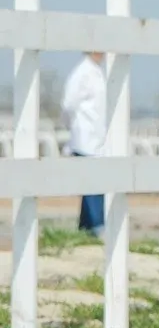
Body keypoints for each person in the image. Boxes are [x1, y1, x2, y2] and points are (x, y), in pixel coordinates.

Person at [61, 50, 107, 237]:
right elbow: (67, 105)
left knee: (95, 184)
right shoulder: (81, 73)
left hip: (97, 137)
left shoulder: (97, 72)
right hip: (85, 137)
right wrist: (73, 127)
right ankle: (96, 227)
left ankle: (86, 228)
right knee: (92, 185)